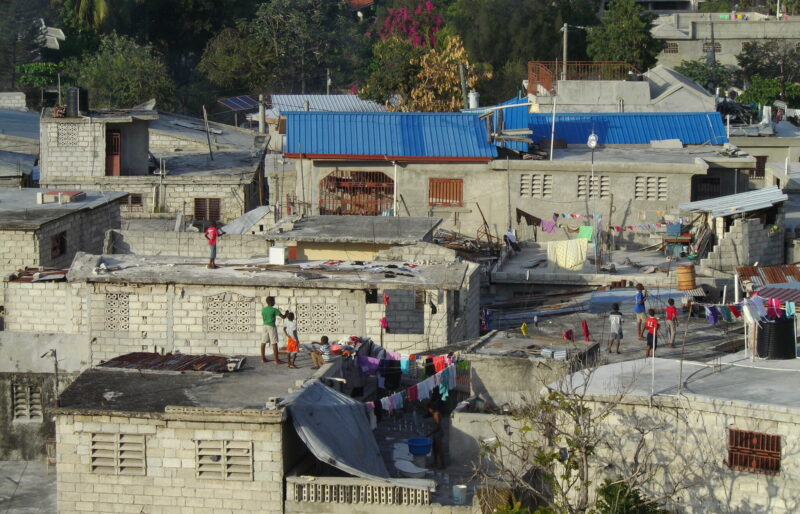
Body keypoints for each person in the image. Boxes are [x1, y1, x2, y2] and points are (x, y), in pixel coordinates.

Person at [261, 296, 286, 364]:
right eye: (274, 301)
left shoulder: (263, 309)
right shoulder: (274, 309)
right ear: (271, 302)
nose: (274, 302)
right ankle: (277, 360)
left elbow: (263, 318)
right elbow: (283, 317)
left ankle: (263, 359)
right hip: (271, 326)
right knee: (274, 342)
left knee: (263, 342)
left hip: (265, 326)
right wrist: (286, 313)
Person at [427, 400, 445, 469]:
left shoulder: (436, 414)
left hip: (438, 433)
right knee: (434, 449)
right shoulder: (434, 414)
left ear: (432, 408)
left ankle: (443, 465)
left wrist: (430, 433)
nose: (429, 410)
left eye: (429, 409)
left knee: (439, 449)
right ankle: (435, 463)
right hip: (435, 433)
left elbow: (438, 426)